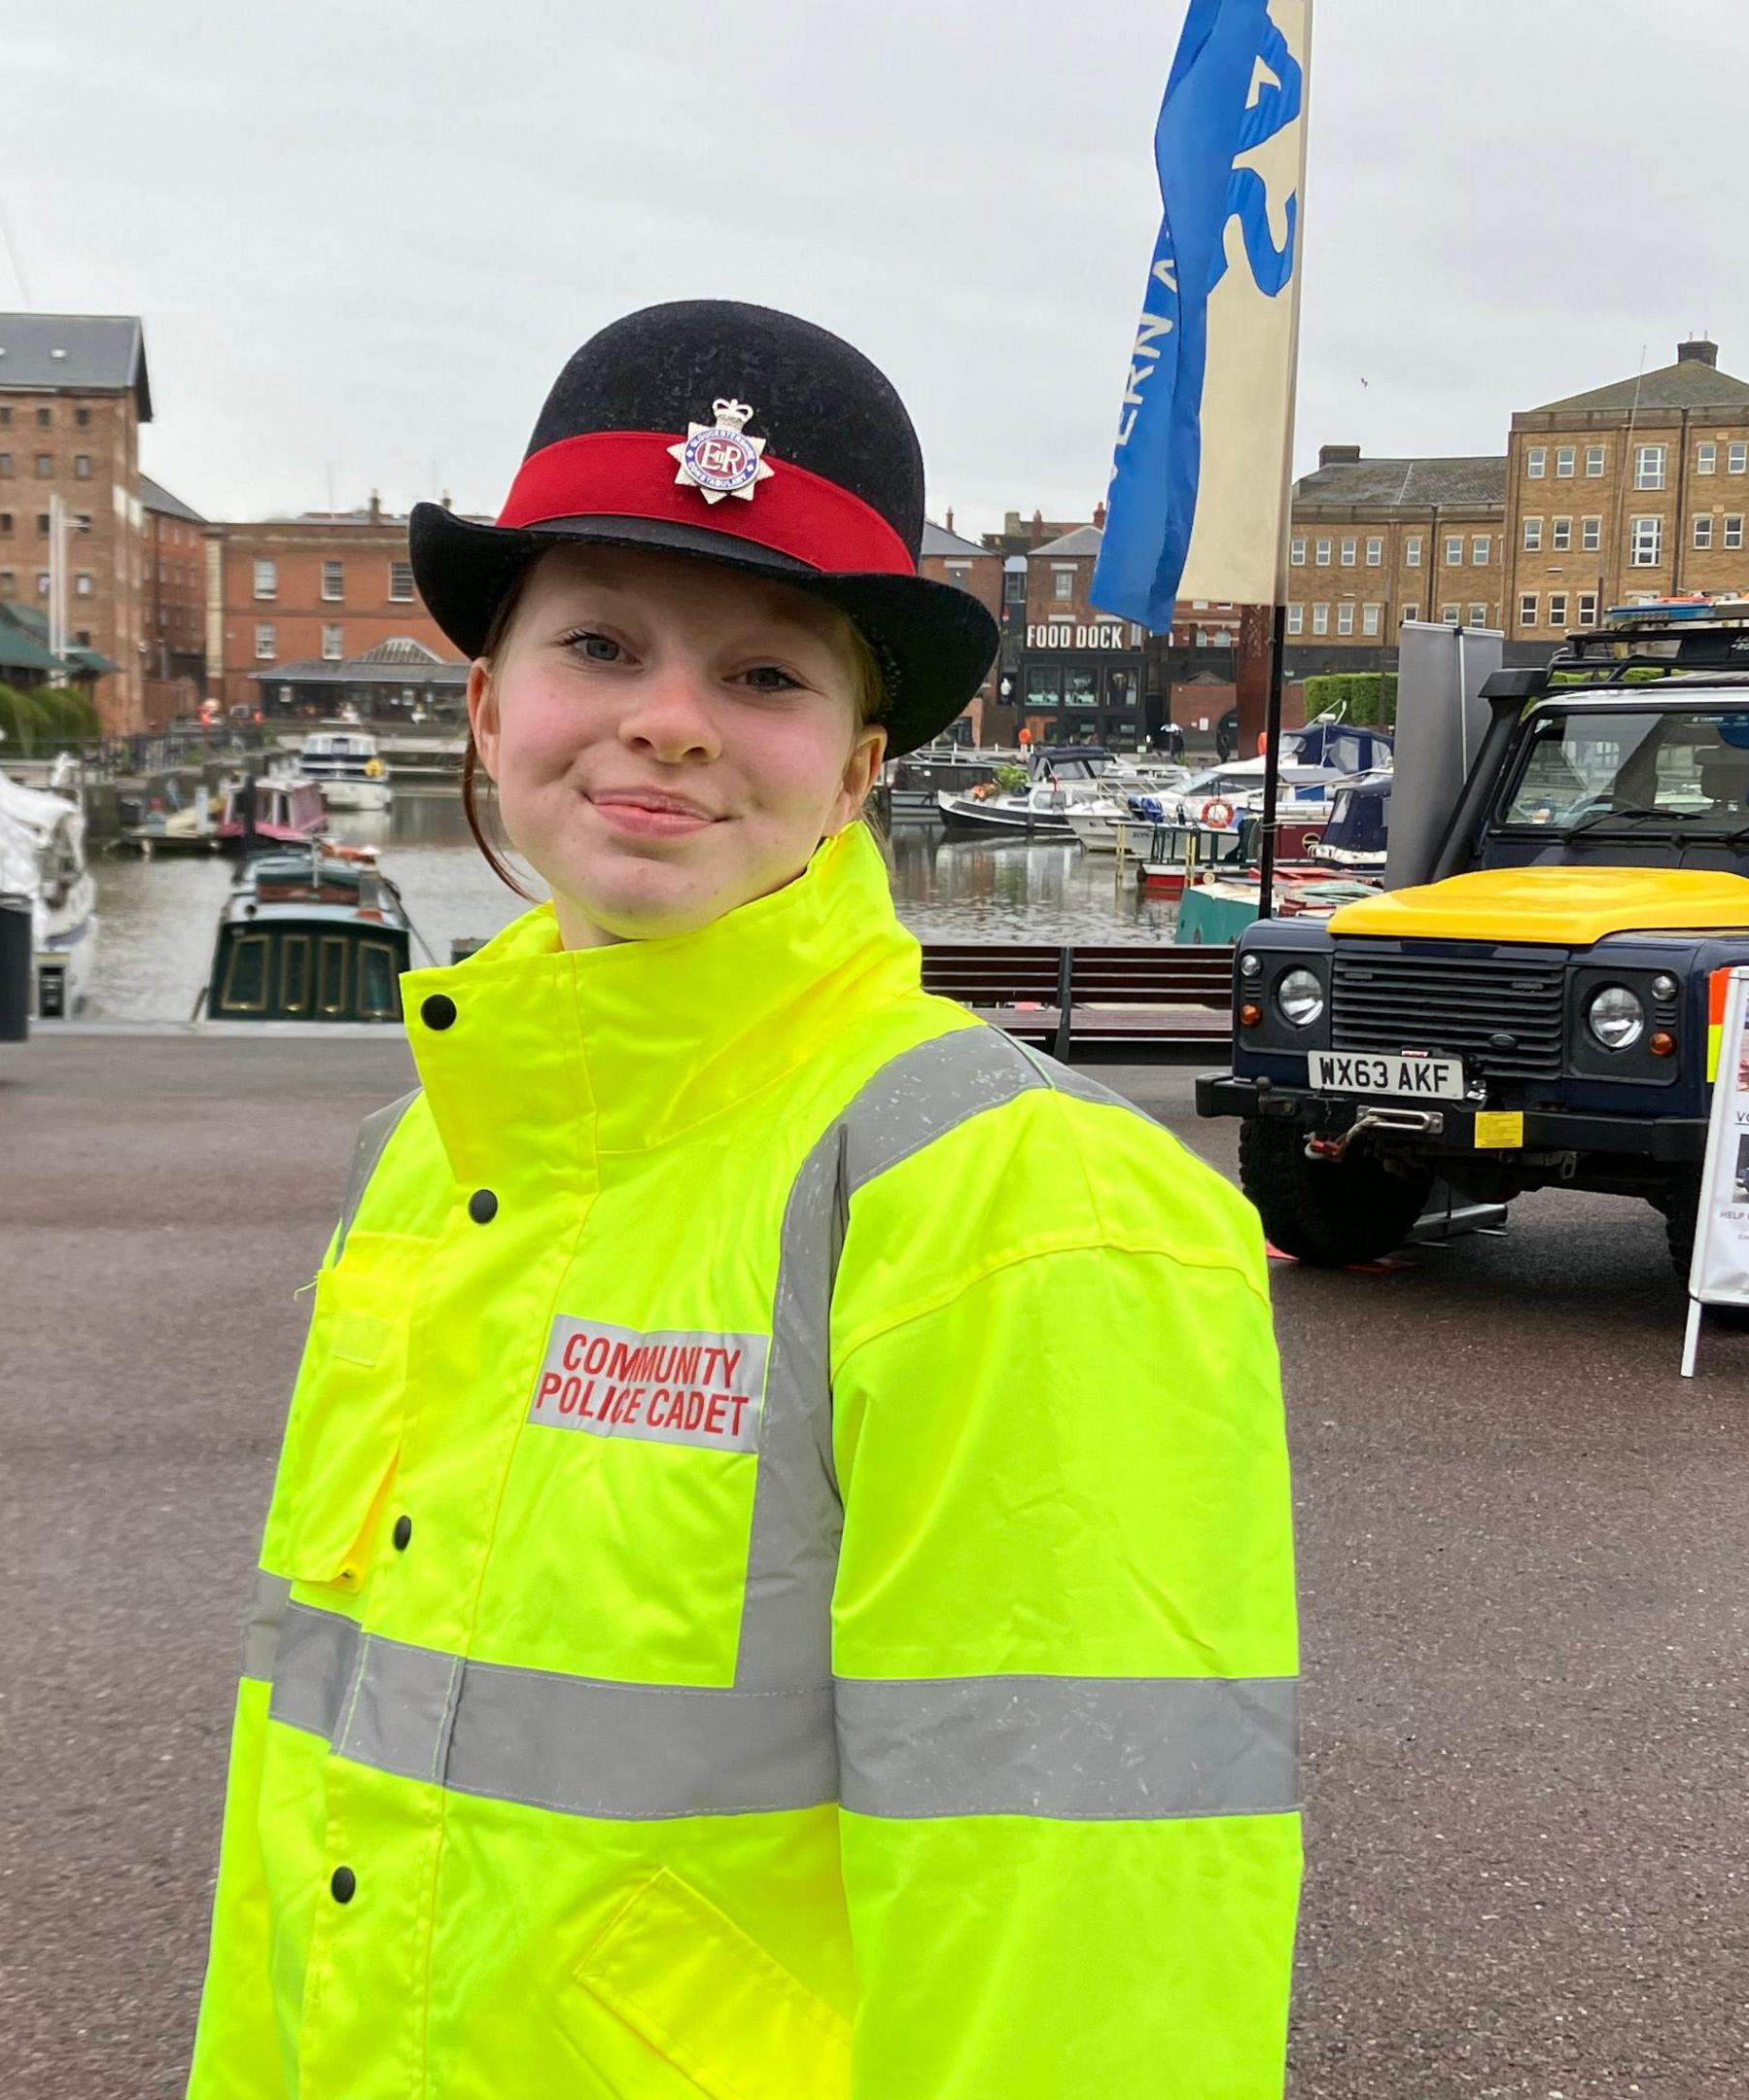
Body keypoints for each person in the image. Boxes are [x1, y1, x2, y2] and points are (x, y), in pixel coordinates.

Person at [188, 302, 1303, 2098]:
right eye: (602, 643)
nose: (668, 725)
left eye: (768, 676)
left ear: (865, 765)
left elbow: (1090, 1919)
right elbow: (326, 1794)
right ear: (488, 705)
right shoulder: (430, 1159)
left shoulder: (1014, 1197)